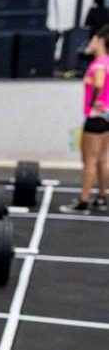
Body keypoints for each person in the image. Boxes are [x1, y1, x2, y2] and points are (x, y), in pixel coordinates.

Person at [62, 24, 109, 214]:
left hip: (95, 117)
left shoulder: (98, 65)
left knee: (89, 160)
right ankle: (101, 197)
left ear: (100, 42)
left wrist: (94, 100)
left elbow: (99, 83)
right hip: (106, 117)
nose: (90, 42)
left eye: (93, 39)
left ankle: (83, 201)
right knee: (102, 159)